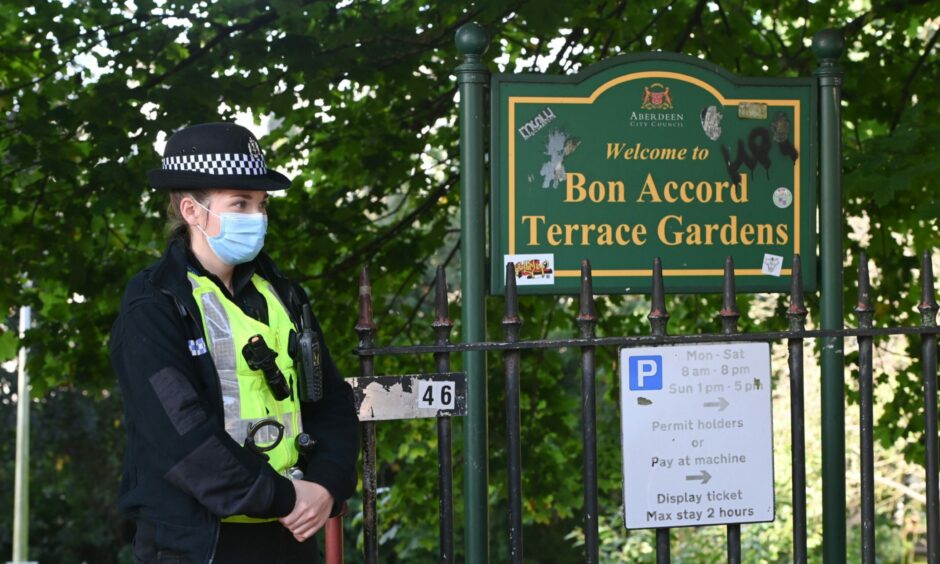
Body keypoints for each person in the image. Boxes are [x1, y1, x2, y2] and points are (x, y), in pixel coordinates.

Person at [109, 122, 359, 563]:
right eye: (239, 203)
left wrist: (326, 485)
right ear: (191, 210)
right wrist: (286, 498)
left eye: (261, 204)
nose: (256, 217)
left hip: (291, 538)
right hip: (197, 546)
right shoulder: (154, 305)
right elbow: (182, 437)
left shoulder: (284, 294)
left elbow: (331, 402)